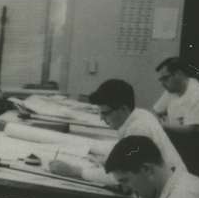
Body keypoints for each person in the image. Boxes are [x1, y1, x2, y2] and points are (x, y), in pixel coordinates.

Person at [48, 79, 185, 186]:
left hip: (169, 197)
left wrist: (75, 171)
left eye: (106, 113)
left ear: (123, 109)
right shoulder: (140, 115)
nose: (102, 119)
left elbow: (121, 178)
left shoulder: (138, 129)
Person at [152, 56, 199, 133]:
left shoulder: (198, 93)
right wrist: (171, 123)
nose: (162, 84)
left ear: (179, 74)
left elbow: (191, 129)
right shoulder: (172, 90)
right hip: (174, 136)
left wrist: (162, 124)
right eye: (160, 80)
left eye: (165, 78)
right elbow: (155, 112)